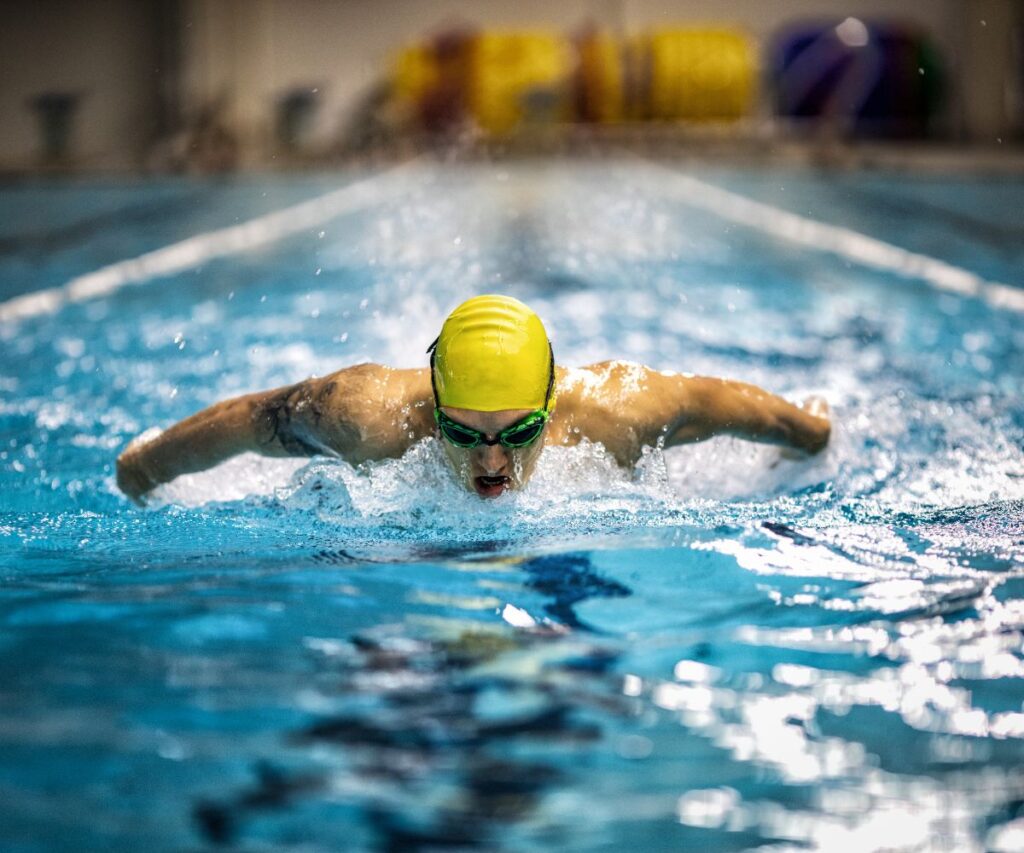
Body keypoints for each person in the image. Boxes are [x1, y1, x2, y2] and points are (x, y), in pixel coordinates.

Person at [116, 295, 830, 503]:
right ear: (433, 405)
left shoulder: (619, 412)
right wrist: (145, 466)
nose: (492, 460)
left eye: (519, 432)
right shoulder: (368, 417)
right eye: (464, 433)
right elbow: (251, 418)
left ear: (552, 404)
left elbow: (740, 406)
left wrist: (813, 432)